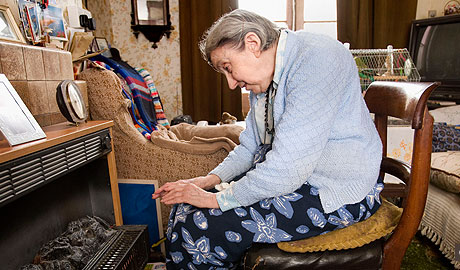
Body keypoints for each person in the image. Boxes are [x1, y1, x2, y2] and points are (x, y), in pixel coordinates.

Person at [152, 9, 384, 270]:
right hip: (297, 181)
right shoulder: (265, 80)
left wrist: (214, 199)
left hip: (335, 192)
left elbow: (288, 169)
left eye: (228, 68)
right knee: (184, 208)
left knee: (198, 224)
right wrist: (209, 181)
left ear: (252, 44)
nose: (230, 84)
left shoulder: (318, 58)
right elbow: (250, 146)